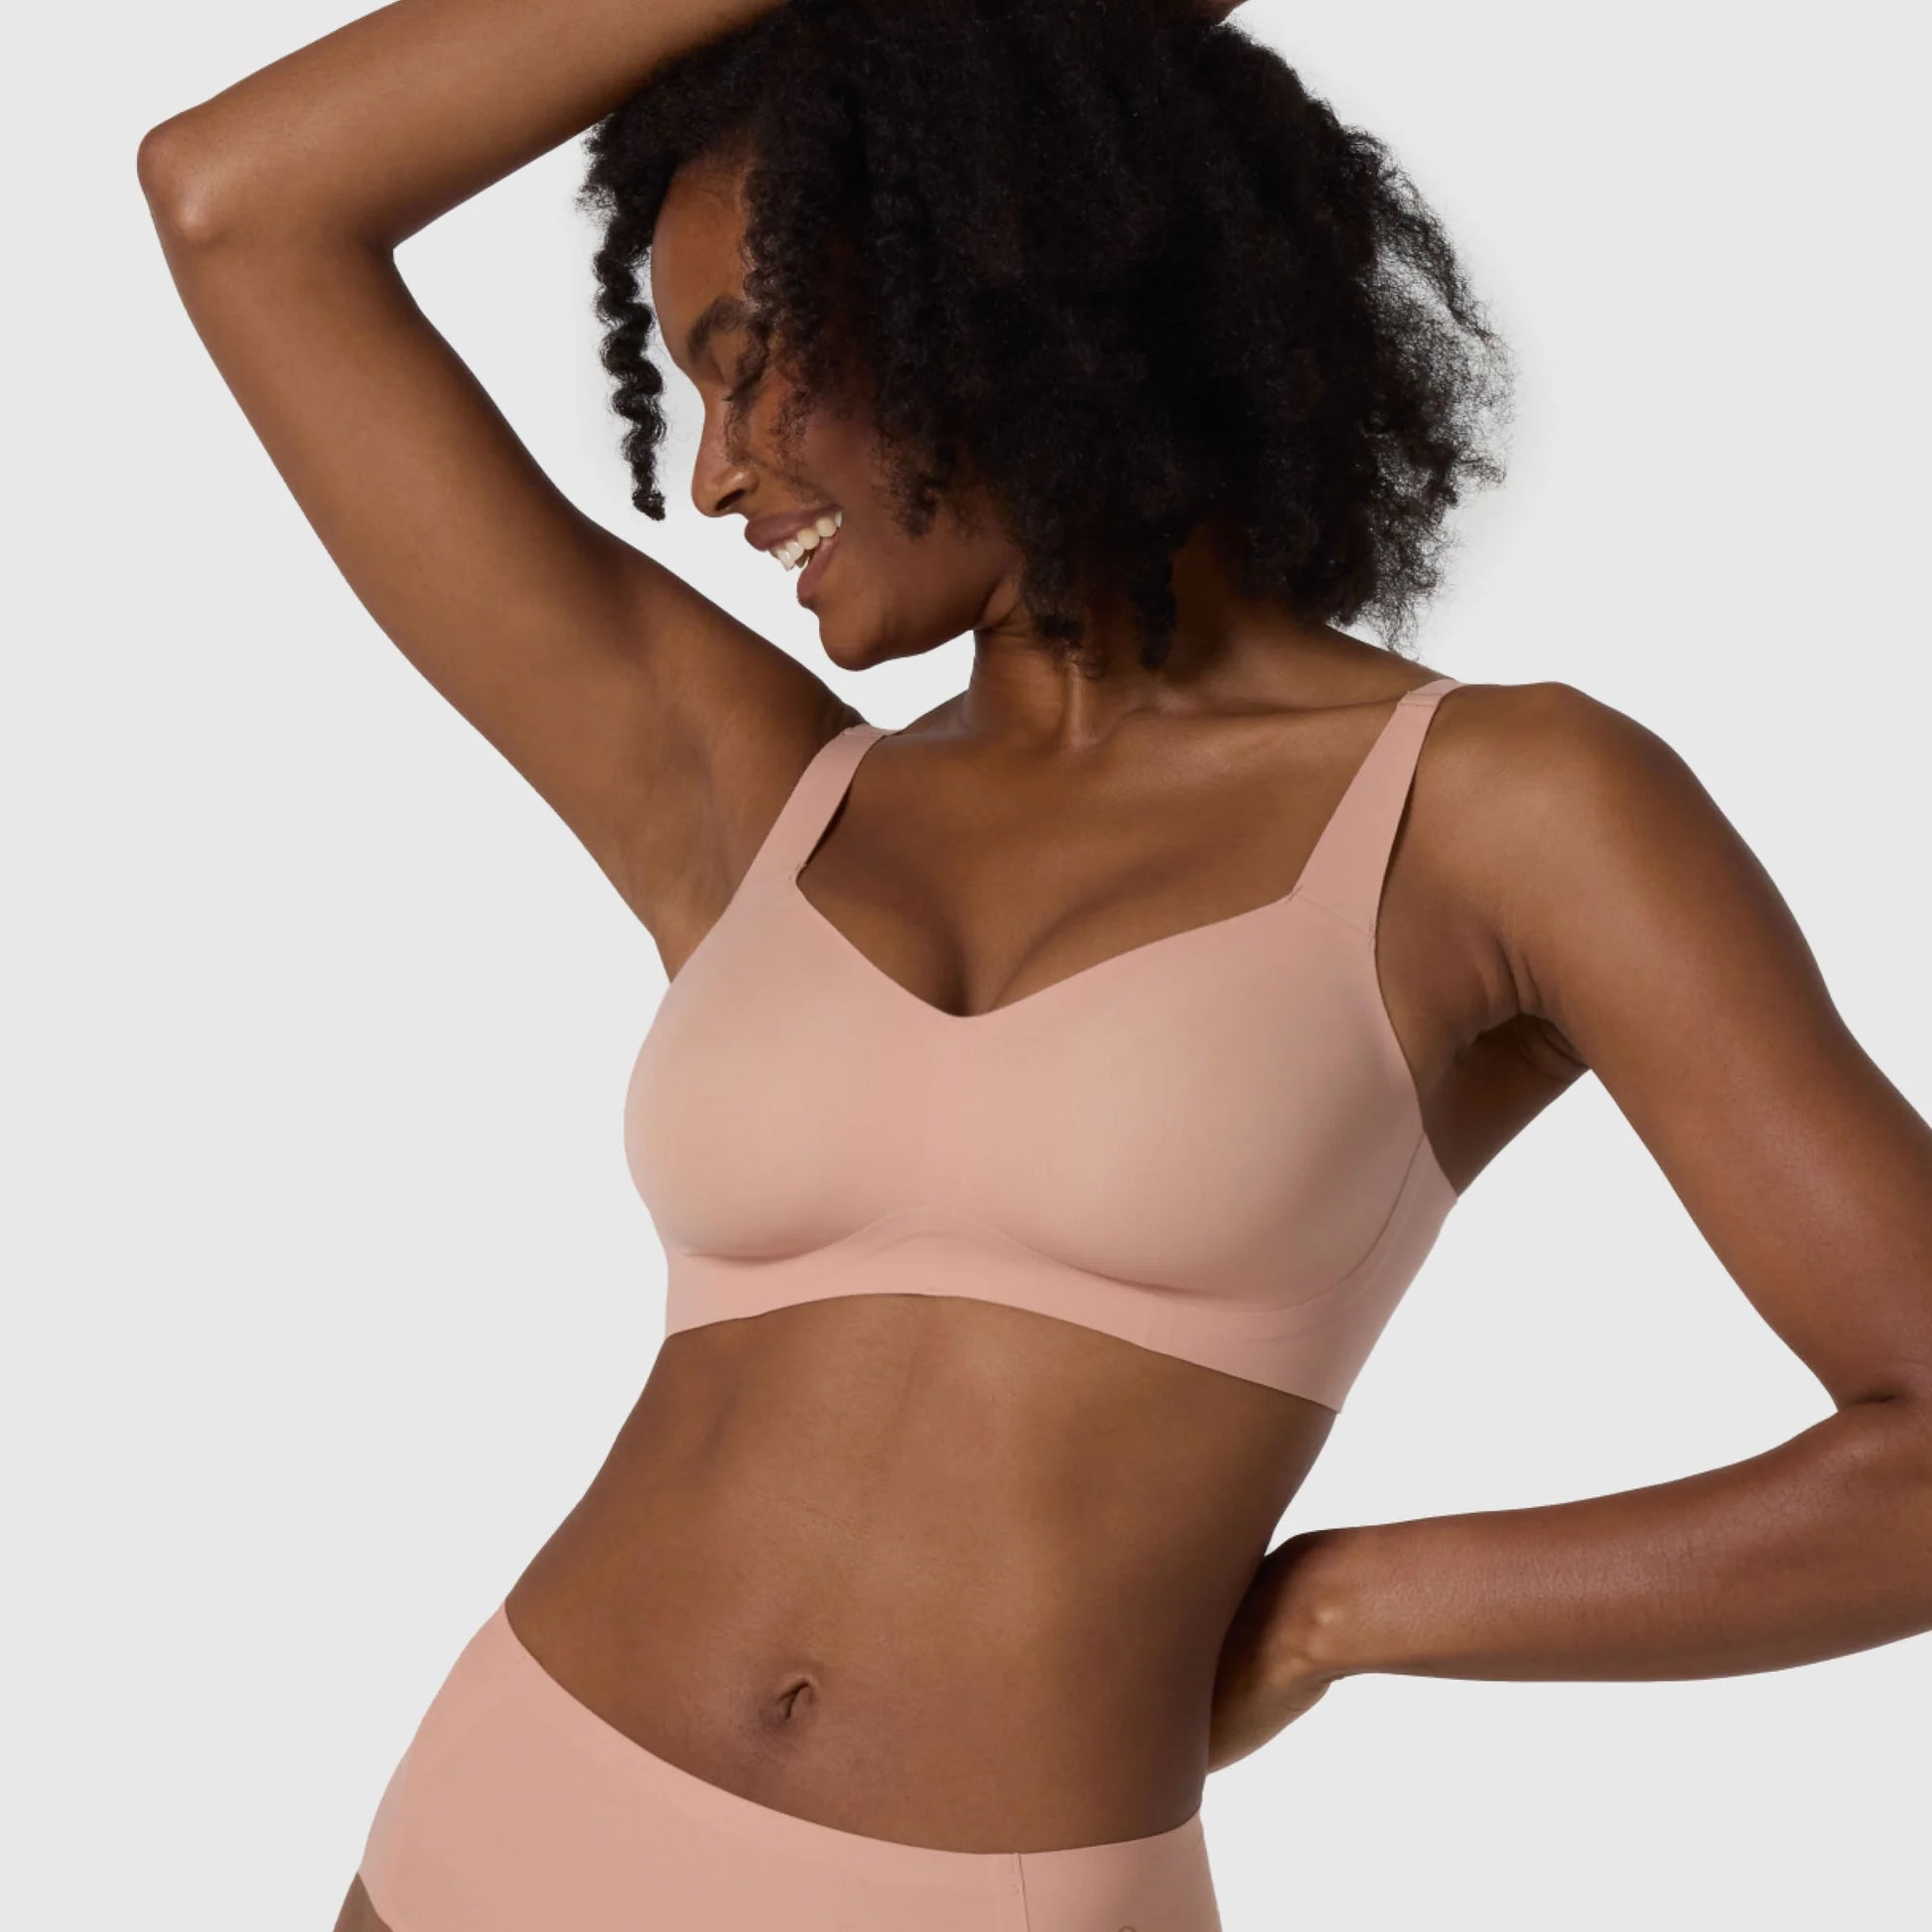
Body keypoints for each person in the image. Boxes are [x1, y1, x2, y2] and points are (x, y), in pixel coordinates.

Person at [138, 0, 1932, 1925]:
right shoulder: (756, 795)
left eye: (748, 369)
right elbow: (235, 201)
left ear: (988, 279)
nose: (713, 476)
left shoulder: (1496, 810)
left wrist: (1343, 1606)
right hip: (498, 1831)